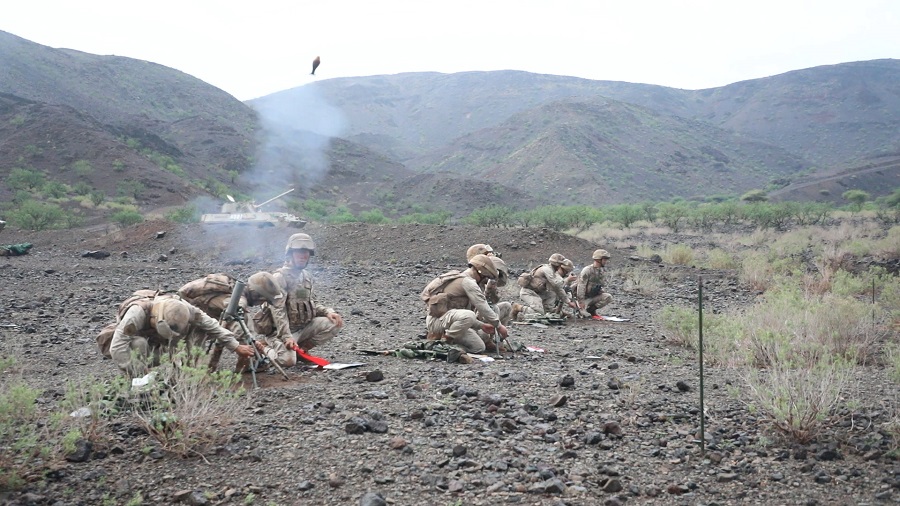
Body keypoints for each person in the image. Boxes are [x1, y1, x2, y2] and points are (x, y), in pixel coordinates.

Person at [251, 233, 343, 368]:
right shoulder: (279, 278)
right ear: (290, 254)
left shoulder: (306, 277)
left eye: (306, 252)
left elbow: (312, 303)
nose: (303, 255)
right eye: (299, 252)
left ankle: (301, 351)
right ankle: (263, 347)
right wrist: (286, 337)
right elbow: (278, 311)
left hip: (302, 328)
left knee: (334, 323)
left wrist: (328, 312)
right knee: (287, 361)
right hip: (280, 332)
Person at [107, 294, 254, 378]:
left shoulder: (185, 309)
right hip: (143, 344)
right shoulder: (136, 314)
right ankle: (137, 380)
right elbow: (117, 348)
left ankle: (186, 375)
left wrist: (235, 346)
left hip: (163, 345)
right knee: (138, 344)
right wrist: (141, 374)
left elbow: (211, 325)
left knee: (200, 329)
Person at [177, 272, 285, 371]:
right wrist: (247, 345)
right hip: (190, 318)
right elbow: (240, 330)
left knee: (195, 351)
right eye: (263, 299)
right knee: (191, 362)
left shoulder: (234, 289)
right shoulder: (238, 303)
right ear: (257, 295)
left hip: (197, 314)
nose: (260, 303)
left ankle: (192, 370)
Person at [421, 254, 508, 362]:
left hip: (451, 321)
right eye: (486, 277)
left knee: (479, 347)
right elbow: (482, 306)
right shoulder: (467, 282)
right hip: (437, 322)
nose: (486, 281)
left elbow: (461, 314)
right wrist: (499, 326)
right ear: (480, 272)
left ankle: (454, 349)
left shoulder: (467, 280)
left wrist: (481, 325)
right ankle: (445, 342)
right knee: (470, 315)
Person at [515, 253, 576, 320]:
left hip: (539, 292)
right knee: (539, 313)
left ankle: (548, 310)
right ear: (558, 264)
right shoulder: (546, 269)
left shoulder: (553, 272)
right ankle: (518, 307)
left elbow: (558, 289)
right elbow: (556, 284)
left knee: (552, 295)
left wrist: (568, 302)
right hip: (528, 292)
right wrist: (568, 280)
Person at [575, 249, 614, 318]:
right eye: (604, 260)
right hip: (583, 299)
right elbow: (581, 286)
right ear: (598, 260)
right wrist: (581, 302)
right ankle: (580, 309)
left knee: (608, 297)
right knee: (585, 316)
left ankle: (591, 310)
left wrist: (600, 291)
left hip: (592, 297)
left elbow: (601, 285)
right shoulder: (587, 270)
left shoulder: (600, 271)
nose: (606, 262)